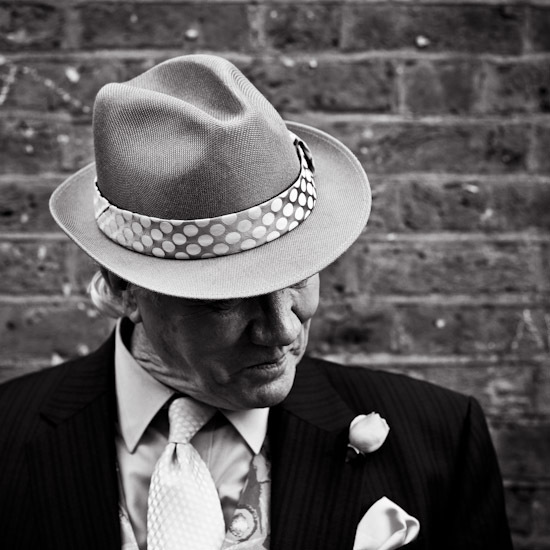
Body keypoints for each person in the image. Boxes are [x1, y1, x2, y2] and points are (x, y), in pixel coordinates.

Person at [0, 55, 512, 550]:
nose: (283, 329)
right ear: (121, 288)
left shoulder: (441, 437)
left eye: (299, 273)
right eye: (226, 300)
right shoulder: (8, 436)